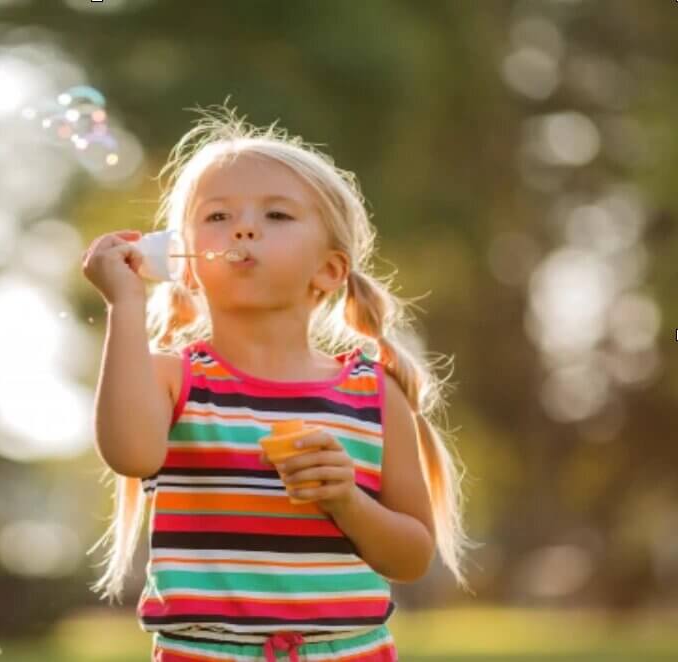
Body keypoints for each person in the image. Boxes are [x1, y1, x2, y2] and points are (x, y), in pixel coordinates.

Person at [81, 106, 477, 661]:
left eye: (277, 216)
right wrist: (125, 304)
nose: (243, 228)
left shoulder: (373, 394)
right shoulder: (172, 378)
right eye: (217, 216)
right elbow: (129, 452)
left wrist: (346, 500)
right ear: (186, 264)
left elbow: (411, 558)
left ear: (330, 270)